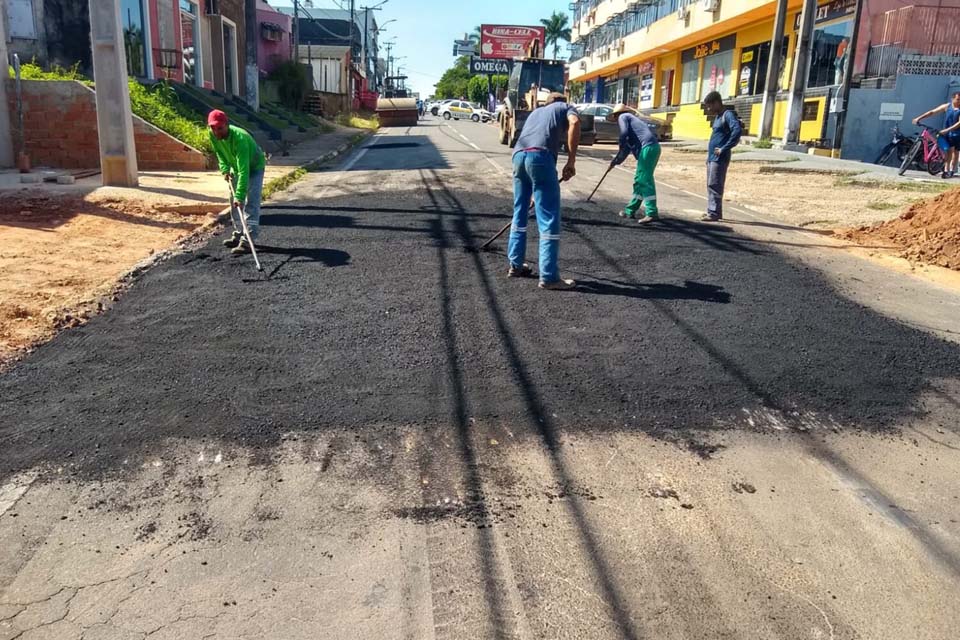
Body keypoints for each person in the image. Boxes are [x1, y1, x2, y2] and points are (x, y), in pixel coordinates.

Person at [507, 93, 581, 290]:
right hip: (540, 157)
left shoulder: (536, 113)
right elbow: (574, 123)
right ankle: (549, 277)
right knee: (548, 217)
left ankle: (515, 265)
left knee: (520, 210)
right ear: (561, 102)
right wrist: (571, 161)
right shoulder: (566, 108)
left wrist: (534, 191)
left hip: (518, 156)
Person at [207, 109, 266, 254]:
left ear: (226, 124)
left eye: (219, 128)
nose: (216, 132)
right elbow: (220, 153)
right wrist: (225, 169)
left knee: (250, 202)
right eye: (213, 128)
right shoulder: (212, 134)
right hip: (235, 166)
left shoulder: (240, 139)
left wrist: (240, 196)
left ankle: (248, 239)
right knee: (233, 201)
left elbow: (244, 171)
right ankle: (239, 233)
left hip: (254, 166)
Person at [608, 104, 662, 225]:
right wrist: (615, 162)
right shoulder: (633, 126)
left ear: (616, 115)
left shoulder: (624, 116)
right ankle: (630, 210)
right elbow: (625, 151)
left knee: (644, 180)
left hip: (648, 148)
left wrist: (621, 143)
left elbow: (623, 134)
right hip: (652, 148)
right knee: (640, 180)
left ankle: (652, 212)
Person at [701, 91, 742, 222]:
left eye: (709, 106)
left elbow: (737, 131)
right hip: (712, 157)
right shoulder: (718, 117)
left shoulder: (727, 115)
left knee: (715, 184)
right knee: (710, 184)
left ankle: (713, 213)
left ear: (717, 103)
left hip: (720, 158)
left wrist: (724, 148)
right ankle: (712, 211)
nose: (709, 109)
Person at [913, 91, 960, 179]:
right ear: (952, 99)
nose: (959, 101)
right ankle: (946, 170)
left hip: (957, 134)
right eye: (957, 99)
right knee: (948, 151)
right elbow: (932, 112)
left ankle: (951, 170)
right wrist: (919, 118)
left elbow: (959, 123)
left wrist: (947, 130)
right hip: (946, 133)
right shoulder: (947, 106)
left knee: (955, 152)